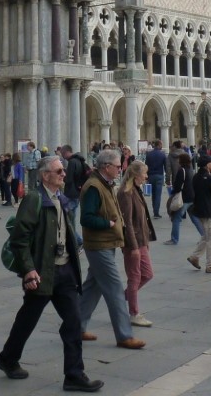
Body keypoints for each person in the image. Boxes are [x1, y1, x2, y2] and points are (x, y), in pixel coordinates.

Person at [0, 155, 103, 393]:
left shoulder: (60, 198)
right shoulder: (34, 199)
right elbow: (20, 238)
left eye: (63, 171)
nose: (64, 174)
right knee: (28, 318)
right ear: (45, 175)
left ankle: (74, 375)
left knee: (73, 321)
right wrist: (28, 270)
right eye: (59, 171)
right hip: (42, 271)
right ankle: (7, 357)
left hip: (64, 271)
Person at [78, 149, 145, 349]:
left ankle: (75, 327)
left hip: (106, 242)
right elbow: (86, 218)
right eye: (117, 166)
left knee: (93, 287)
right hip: (98, 245)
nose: (120, 169)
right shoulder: (93, 187)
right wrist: (108, 224)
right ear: (106, 167)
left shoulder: (105, 184)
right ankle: (124, 335)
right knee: (115, 289)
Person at [116, 161, 155, 327]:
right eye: (144, 173)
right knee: (135, 277)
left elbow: (142, 219)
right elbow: (127, 223)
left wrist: (146, 240)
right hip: (133, 242)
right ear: (136, 175)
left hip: (141, 240)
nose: (146, 176)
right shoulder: (126, 193)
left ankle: (120, 298)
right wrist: (133, 246)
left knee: (148, 274)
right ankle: (134, 313)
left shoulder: (136, 190)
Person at [187, 155, 211, 275]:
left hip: (201, 210)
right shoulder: (208, 178)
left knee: (207, 237)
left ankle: (194, 256)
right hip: (210, 212)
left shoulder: (196, 176)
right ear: (207, 164)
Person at [165, 152, 199, 245]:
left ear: (182, 161)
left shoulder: (182, 171)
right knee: (195, 218)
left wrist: (172, 192)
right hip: (191, 197)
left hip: (183, 198)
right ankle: (205, 236)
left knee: (176, 218)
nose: (178, 161)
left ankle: (174, 239)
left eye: (179, 159)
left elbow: (178, 186)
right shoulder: (190, 170)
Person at [62, 145, 86, 243]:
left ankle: (77, 240)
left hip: (71, 193)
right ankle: (76, 240)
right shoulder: (79, 160)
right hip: (77, 192)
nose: (63, 157)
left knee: (69, 220)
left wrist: (63, 175)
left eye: (63, 154)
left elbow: (69, 179)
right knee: (71, 219)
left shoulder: (72, 162)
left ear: (67, 152)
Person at [144, 140, 167, 218]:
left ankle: (154, 210)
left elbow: (146, 166)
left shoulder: (149, 154)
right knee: (158, 195)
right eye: (161, 145)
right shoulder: (162, 154)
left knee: (153, 194)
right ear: (159, 145)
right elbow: (166, 167)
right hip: (159, 175)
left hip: (151, 175)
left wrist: (146, 176)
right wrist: (167, 177)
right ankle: (156, 212)